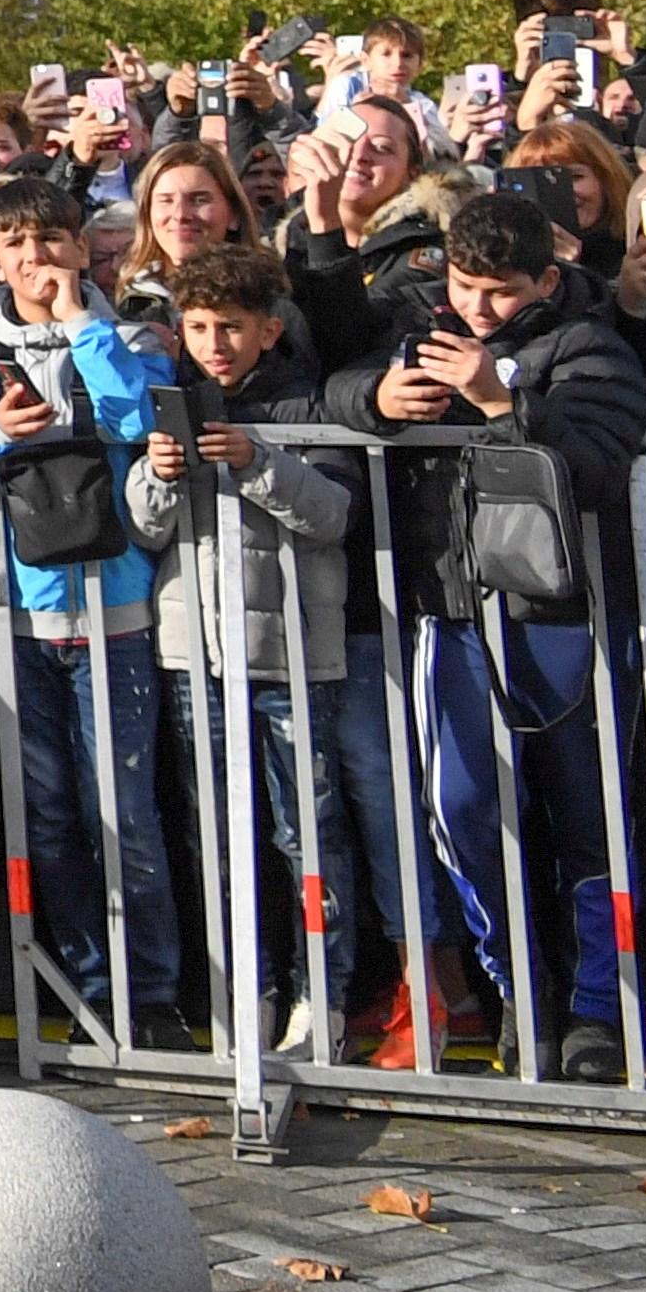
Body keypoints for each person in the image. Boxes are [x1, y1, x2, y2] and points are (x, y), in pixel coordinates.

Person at [328, 177, 646, 1077]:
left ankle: (597, 1011)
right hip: (455, 608)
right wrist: (379, 402)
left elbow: (593, 460)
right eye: (465, 289)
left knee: (588, 819)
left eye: (500, 293)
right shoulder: (421, 324)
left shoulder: (590, 342)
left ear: (543, 281)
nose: (476, 308)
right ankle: (521, 995)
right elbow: (333, 388)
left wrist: (502, 400)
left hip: (567, 614)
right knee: (463, 808)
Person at [127, 240, 401, 1062]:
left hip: (290, 656)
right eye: (201, 326)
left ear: (269, 331)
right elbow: (144, 527)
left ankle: (323, 991)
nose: (216, 343)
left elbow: (333, 516)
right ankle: (245, 990)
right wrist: (159, 472)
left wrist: (256, 463)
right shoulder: (172, 402)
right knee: (214, 833)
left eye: (233, 328)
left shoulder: (305, 403)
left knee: (307, 834)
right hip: (195, 657)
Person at [0, 174, 188, 1053]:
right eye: (17, 244)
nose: (36, 259)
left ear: (83, 248)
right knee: (48, 819)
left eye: (52, 240)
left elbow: (140, 419)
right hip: (15, 621)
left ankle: (152, 991)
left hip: (115, 610)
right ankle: (92, 987)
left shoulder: (126, 335)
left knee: (123, 809)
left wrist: (85, 327)